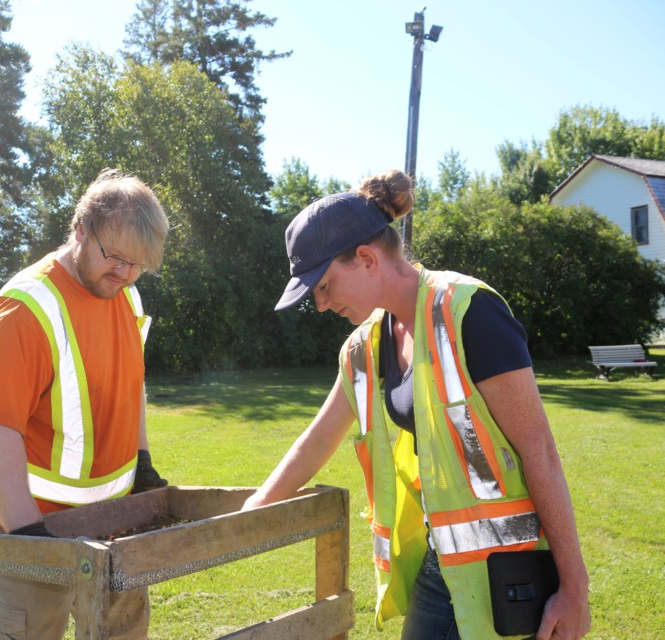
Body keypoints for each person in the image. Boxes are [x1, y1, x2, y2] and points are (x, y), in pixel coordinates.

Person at [243, 170, 590, 640]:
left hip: (512, 574)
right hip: (440, 564)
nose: (321, 305)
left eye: (323, 287)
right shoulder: (364, 348)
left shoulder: (470, 310)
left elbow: (540, 450)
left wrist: (574, 587)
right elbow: (319, 437)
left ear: (366, 259)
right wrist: (254, 509)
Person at [0, 168, 170, 640]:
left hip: (116, 529)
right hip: (36, 532)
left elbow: (130, 386)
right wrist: (28, 537)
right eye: (114, 256)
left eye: (137, 264)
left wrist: (143, 461)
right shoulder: (27, 307)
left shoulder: (127, 297)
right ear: (79, 229)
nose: (125, 273)